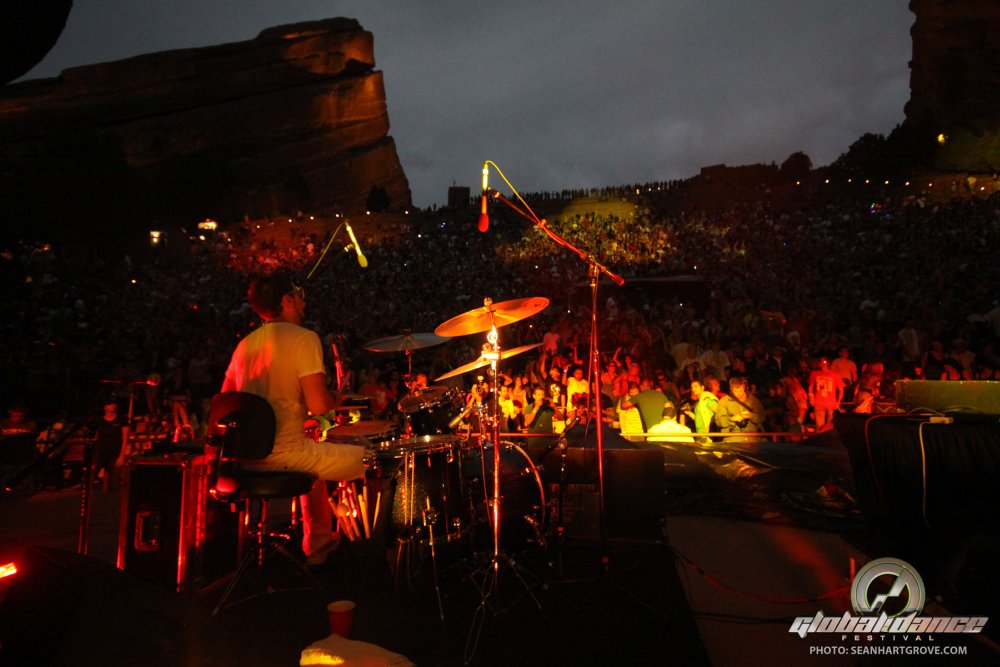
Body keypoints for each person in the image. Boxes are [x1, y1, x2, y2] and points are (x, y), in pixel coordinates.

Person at [221, 272, 366, 566]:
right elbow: (319, 405)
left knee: (312, 462)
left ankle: (319, 543)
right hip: (285, 456)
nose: (304, 301)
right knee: (375, 459)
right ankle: (376, 553)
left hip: (245, 460)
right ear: (286, 300)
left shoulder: (244, 345)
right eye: (300, 294)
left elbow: (225, 401)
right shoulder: (304, 338)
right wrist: (336, 397)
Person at [713, 377, 766, 442]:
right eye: (735, 391)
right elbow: (718, 421)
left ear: (744, 387)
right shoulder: (724, 401)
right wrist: (732, 419)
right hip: (732, 439)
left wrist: (750, 415)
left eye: (740, 390)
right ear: (731, 389)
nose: (738, 393)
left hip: (752, 438)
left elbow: (762, 416)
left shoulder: (753, 400)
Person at [807, 357, 845, 431]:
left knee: (830, 426)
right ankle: (820, 436)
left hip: (831, 404)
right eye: (820, 362)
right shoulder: (814, 374)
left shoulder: (835, 375)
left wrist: (838, 402)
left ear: (828, 363)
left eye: (823, 361)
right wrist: (811, 398)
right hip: (818, 403)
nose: (822, 363)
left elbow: (841, 390)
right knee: (819, 426)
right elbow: (811, 386)